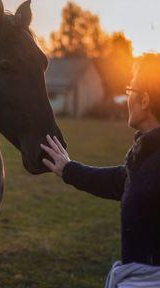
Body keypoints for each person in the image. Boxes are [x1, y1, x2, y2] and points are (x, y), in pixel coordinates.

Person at [41, 53, 160, 288]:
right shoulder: (147, 155)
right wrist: (68, 169)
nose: (127, 98)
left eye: (130, 90)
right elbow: (119, 182)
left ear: (144, 101)